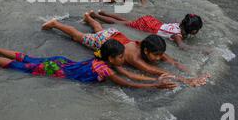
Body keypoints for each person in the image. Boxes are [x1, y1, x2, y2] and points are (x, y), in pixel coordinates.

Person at [41, 12, 209, 87]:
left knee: (99, 29)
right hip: (105, 40)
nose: (159, 58)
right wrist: (185, 80)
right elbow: (154, 70)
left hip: (116, 35)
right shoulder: (135, 57)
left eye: (159, 55)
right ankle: (56, 24)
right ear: (146, 52)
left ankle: (89, 18)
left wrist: (192, 72)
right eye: (156, 55)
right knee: (79, 37)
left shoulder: (150, 45)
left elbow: (171, 61)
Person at [0, 40, 177, 89]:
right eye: (121, 57)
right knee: (20, 66)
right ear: (112, 58)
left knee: (28, 58)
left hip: (60, 63)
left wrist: (156, 78)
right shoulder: (106, 68)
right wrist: (154, 85)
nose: (124, 59)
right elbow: (126, 83)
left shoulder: (102, 60)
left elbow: (131, 76)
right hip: (57, 68)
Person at [90, 11, 203, 51]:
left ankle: (104, 13)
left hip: (152, 22)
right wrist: (201, 49)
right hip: (149, 26)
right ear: (193, 31)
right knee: (121, 24)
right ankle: (96, 15)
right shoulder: (177, 35)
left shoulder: (179, 25)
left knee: (128, 22)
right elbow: (182, 46)